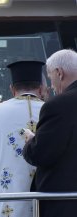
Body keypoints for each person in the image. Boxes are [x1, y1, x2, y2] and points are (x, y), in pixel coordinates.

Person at [0, 60, 45, 217]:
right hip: (46, 200)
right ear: (41, 88)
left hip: (6, 202)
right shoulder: (51, 109)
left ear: (12, 89)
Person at [23, 49, 77, 217]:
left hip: (65, 204)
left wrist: (31, 141)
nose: (50, 86)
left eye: (49, 76)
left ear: (59, 73)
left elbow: (41, 154)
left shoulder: (58, 105)